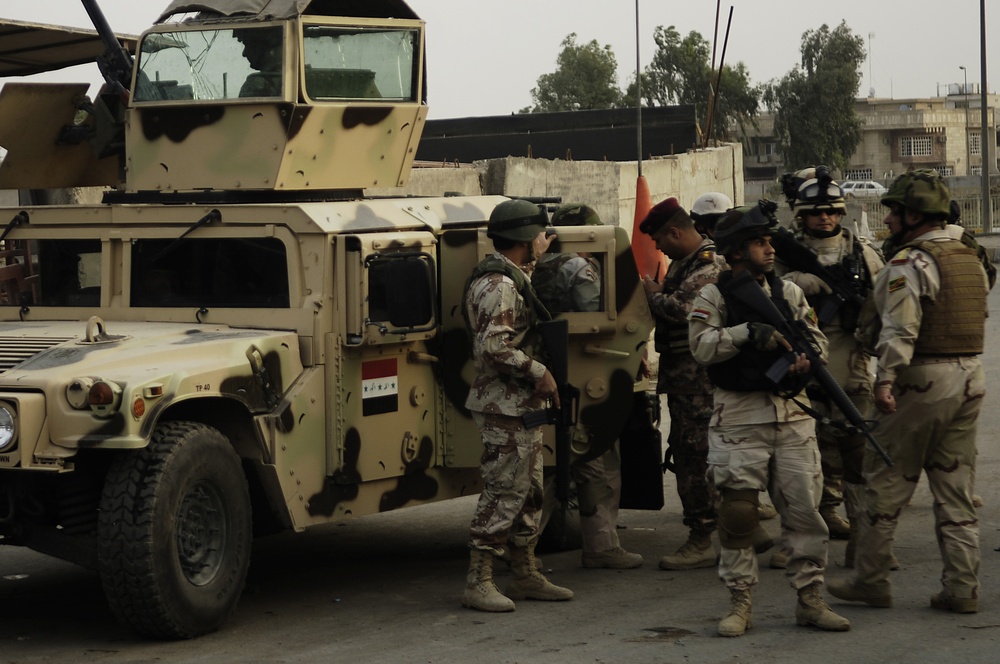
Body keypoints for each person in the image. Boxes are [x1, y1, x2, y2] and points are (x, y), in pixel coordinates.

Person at [828, 170, 988, 614]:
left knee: (886, 480)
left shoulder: (909, 263)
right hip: (970, 375)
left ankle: (870, 580)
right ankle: (962, 587)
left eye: (895, 211)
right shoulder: (967, 255)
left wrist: (884, 380)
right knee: (955, 487)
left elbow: (902, 327)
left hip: (923, 380)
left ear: (914, 215)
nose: (889, 219)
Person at [688, 201, 849, 637]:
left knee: (804, 514)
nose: (770, 249)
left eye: (769, 242)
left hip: (792, 417)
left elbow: (816, 340)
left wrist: (804, 361)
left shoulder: (789, 293)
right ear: (737, 251)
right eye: (759, 243)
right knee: (739, 514)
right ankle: (740, 602)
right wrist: (745, 334)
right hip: (739, 417)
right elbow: (702, 347)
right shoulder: (713, 296)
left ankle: (810, 599)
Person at [461, 199, 574, 612]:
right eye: (540, 235)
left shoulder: (510, 278)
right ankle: (479, 581)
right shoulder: (499, 285)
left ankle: (524, 573)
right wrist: (538, 370)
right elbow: (492, 348)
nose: (543, 241)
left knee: (528, 492)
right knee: (503, 492)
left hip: (519, 405)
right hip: (503, 405)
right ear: (527, 239)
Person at [774, 168, 885, 567]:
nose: (825, 218)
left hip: (852, 369)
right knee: (802, 463)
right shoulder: (782, 257)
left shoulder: (863, 254)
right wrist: (793, 283)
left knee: (859, 457)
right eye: (816, 212)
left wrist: (873, 352)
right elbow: (760, 300)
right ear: (801, 216)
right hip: (802, 371)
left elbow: (881, 307)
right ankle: (802, 541)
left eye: (833, 211)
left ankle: (865, 543)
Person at [531, 203, 643, 570]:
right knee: (597, 459)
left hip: (540, 378)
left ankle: (518, 549)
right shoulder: (579, 267)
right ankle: (601, 545)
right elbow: (597, 315)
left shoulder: (532, 266)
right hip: (587, 374)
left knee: (546, 466)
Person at [638, 197, 730, 570]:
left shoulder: (709, 265)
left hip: (698, 383)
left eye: (661, 239)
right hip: (685, 380)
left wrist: (654, 296)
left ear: (675, 232)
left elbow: (684, 309)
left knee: (695, 457)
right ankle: (739, 528)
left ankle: (703, 538)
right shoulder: (684, 264)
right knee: (699, 454)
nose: (658, 248)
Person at [235, 27, 284, 97]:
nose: (244, 53)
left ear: (264, 47)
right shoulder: (301, 76)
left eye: (248, 45)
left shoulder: (256, 84)